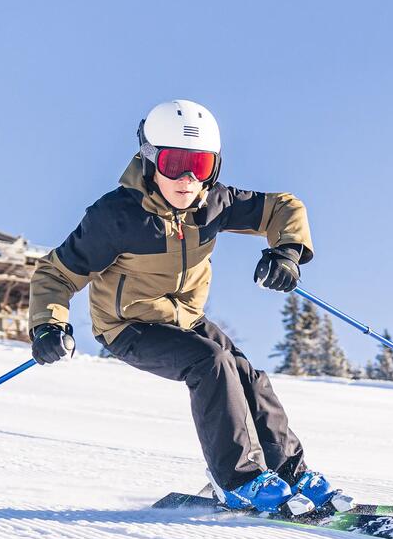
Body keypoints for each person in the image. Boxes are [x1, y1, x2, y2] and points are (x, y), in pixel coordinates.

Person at [27, 99, 350, 517]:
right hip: (128, 326)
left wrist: (286, 252)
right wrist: (48, 326)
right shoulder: (117, 217)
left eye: (198, 165)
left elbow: (283, 207)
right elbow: (55, 274)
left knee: (246, 373)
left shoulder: (213, 203)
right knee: (210, 363)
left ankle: (288, 471)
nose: (185, 179)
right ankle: (238, 479)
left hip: (186, 319)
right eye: (173, 162)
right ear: (149, 160)